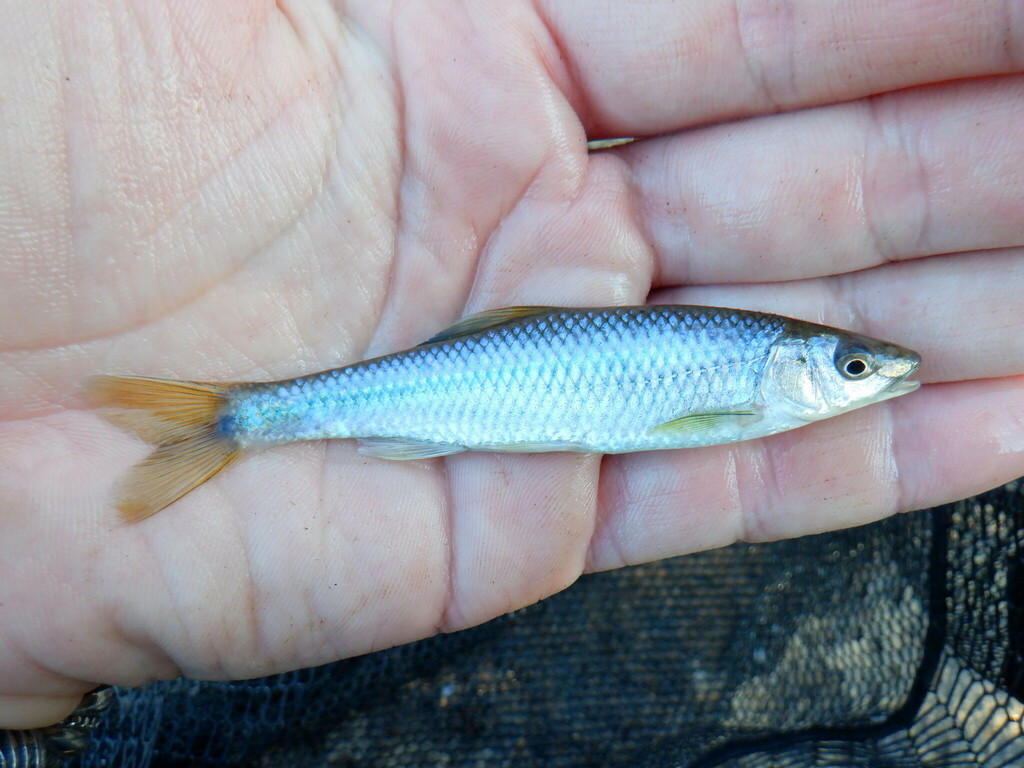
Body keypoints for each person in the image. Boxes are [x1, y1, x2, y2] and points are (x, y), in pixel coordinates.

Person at [1, 0, 1021, 731]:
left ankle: (240, 419)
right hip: (439, 397)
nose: (867, 379)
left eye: (857, 373)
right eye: (850, 371)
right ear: (794, 361)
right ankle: (238, 417)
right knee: (283, 416)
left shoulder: (748, 379)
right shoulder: (746, 384)